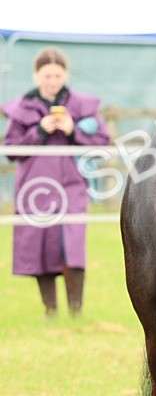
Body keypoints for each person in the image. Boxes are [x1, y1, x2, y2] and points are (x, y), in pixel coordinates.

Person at [2, 47, 110, 316]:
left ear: (65, 75)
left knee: (71, 246)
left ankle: (76, 312)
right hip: (34, 189)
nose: (52, 81)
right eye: (47, 75)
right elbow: (11, 150)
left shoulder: (81, 106)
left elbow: (101, 143)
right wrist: (39, 131)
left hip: (72, 186)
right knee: (41, 247)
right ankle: (50, 311)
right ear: (36, 75)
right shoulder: (22, 108)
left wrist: (74, 131)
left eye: (57, 75)